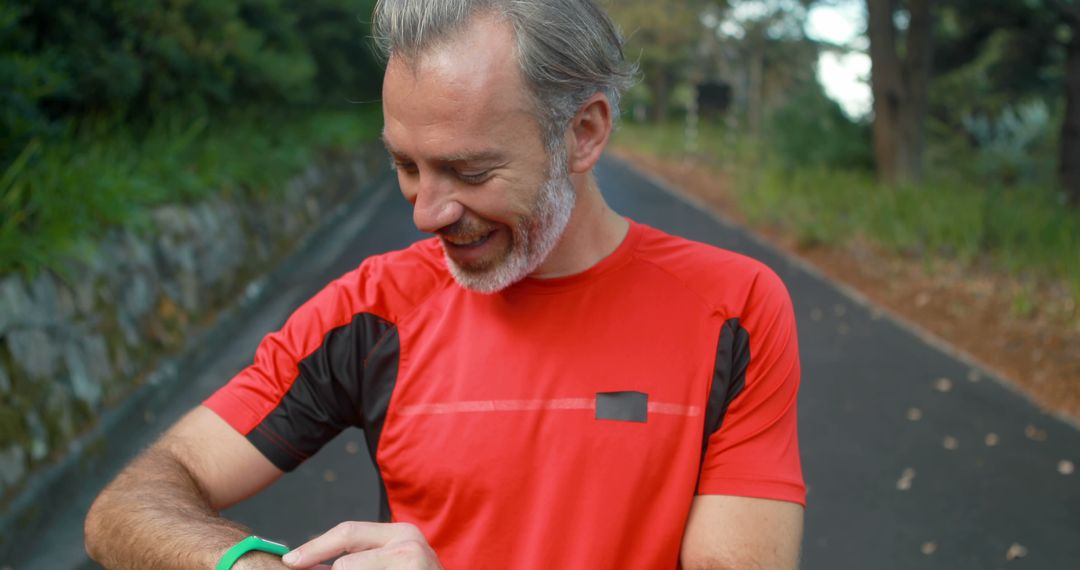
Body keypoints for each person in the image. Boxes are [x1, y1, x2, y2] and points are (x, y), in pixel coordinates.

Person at [83, 0, 806, 568]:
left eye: (469, 172)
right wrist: (248, 564)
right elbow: (127, 505)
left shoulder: (732, 308)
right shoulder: (370, 312)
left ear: (584, 133)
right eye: (406, 165)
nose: (427, 212)